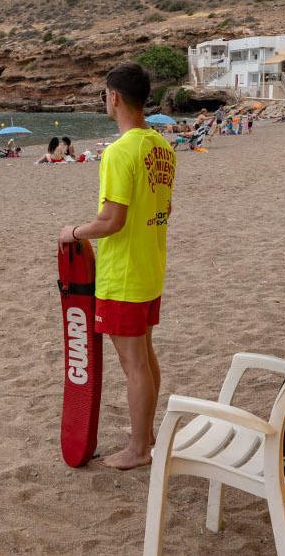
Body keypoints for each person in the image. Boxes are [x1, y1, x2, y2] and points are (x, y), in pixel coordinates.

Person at [60, 62, 175, 470]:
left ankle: (139, 450)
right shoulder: (161, 146)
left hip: (123, 273)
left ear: (114, 97)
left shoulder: (120, 151)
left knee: (134, 363)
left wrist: (73, 232)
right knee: (144, 355)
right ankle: (146, 432)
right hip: (149, 265)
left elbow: (112, 220)